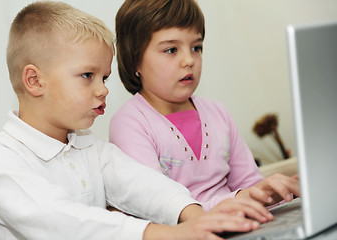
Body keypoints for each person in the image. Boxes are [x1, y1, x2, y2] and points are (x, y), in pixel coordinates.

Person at [0, 1, 273, 240]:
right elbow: (60, 221)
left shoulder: (89, 148)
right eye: (87, 76)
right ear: (34, 80)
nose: (103, 88)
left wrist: (197, 216)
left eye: (104, 77)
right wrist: (169, 234)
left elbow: (143, 185)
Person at [109, 0, 300, 211]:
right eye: (171, 50)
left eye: (196, 48)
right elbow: (158, 208)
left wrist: (276, 191)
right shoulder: (129, 123)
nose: (189, 60)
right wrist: (238, 201)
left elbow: (250, 185)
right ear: (134, 59)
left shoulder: (218, 113)